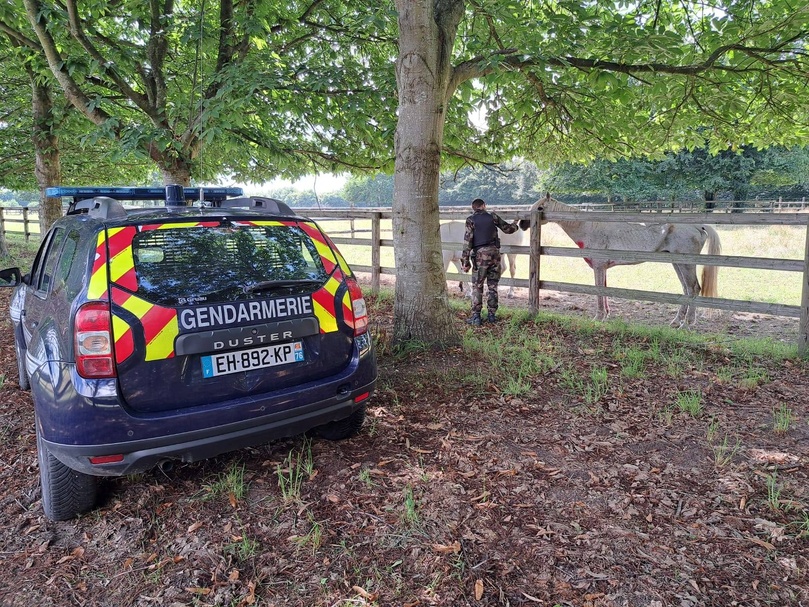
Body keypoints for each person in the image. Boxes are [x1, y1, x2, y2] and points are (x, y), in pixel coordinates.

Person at [461, 198, 519, 326]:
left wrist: (465, 262)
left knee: (477, 286)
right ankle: (492, 316)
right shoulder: (492, 216)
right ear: (484, 206)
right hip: (495, 254)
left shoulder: (470, 220)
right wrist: (515, 223)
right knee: (493, 286)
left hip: (480, 256)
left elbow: (467, 242)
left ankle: (476, 317)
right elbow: (508, 229)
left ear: (473, 208)